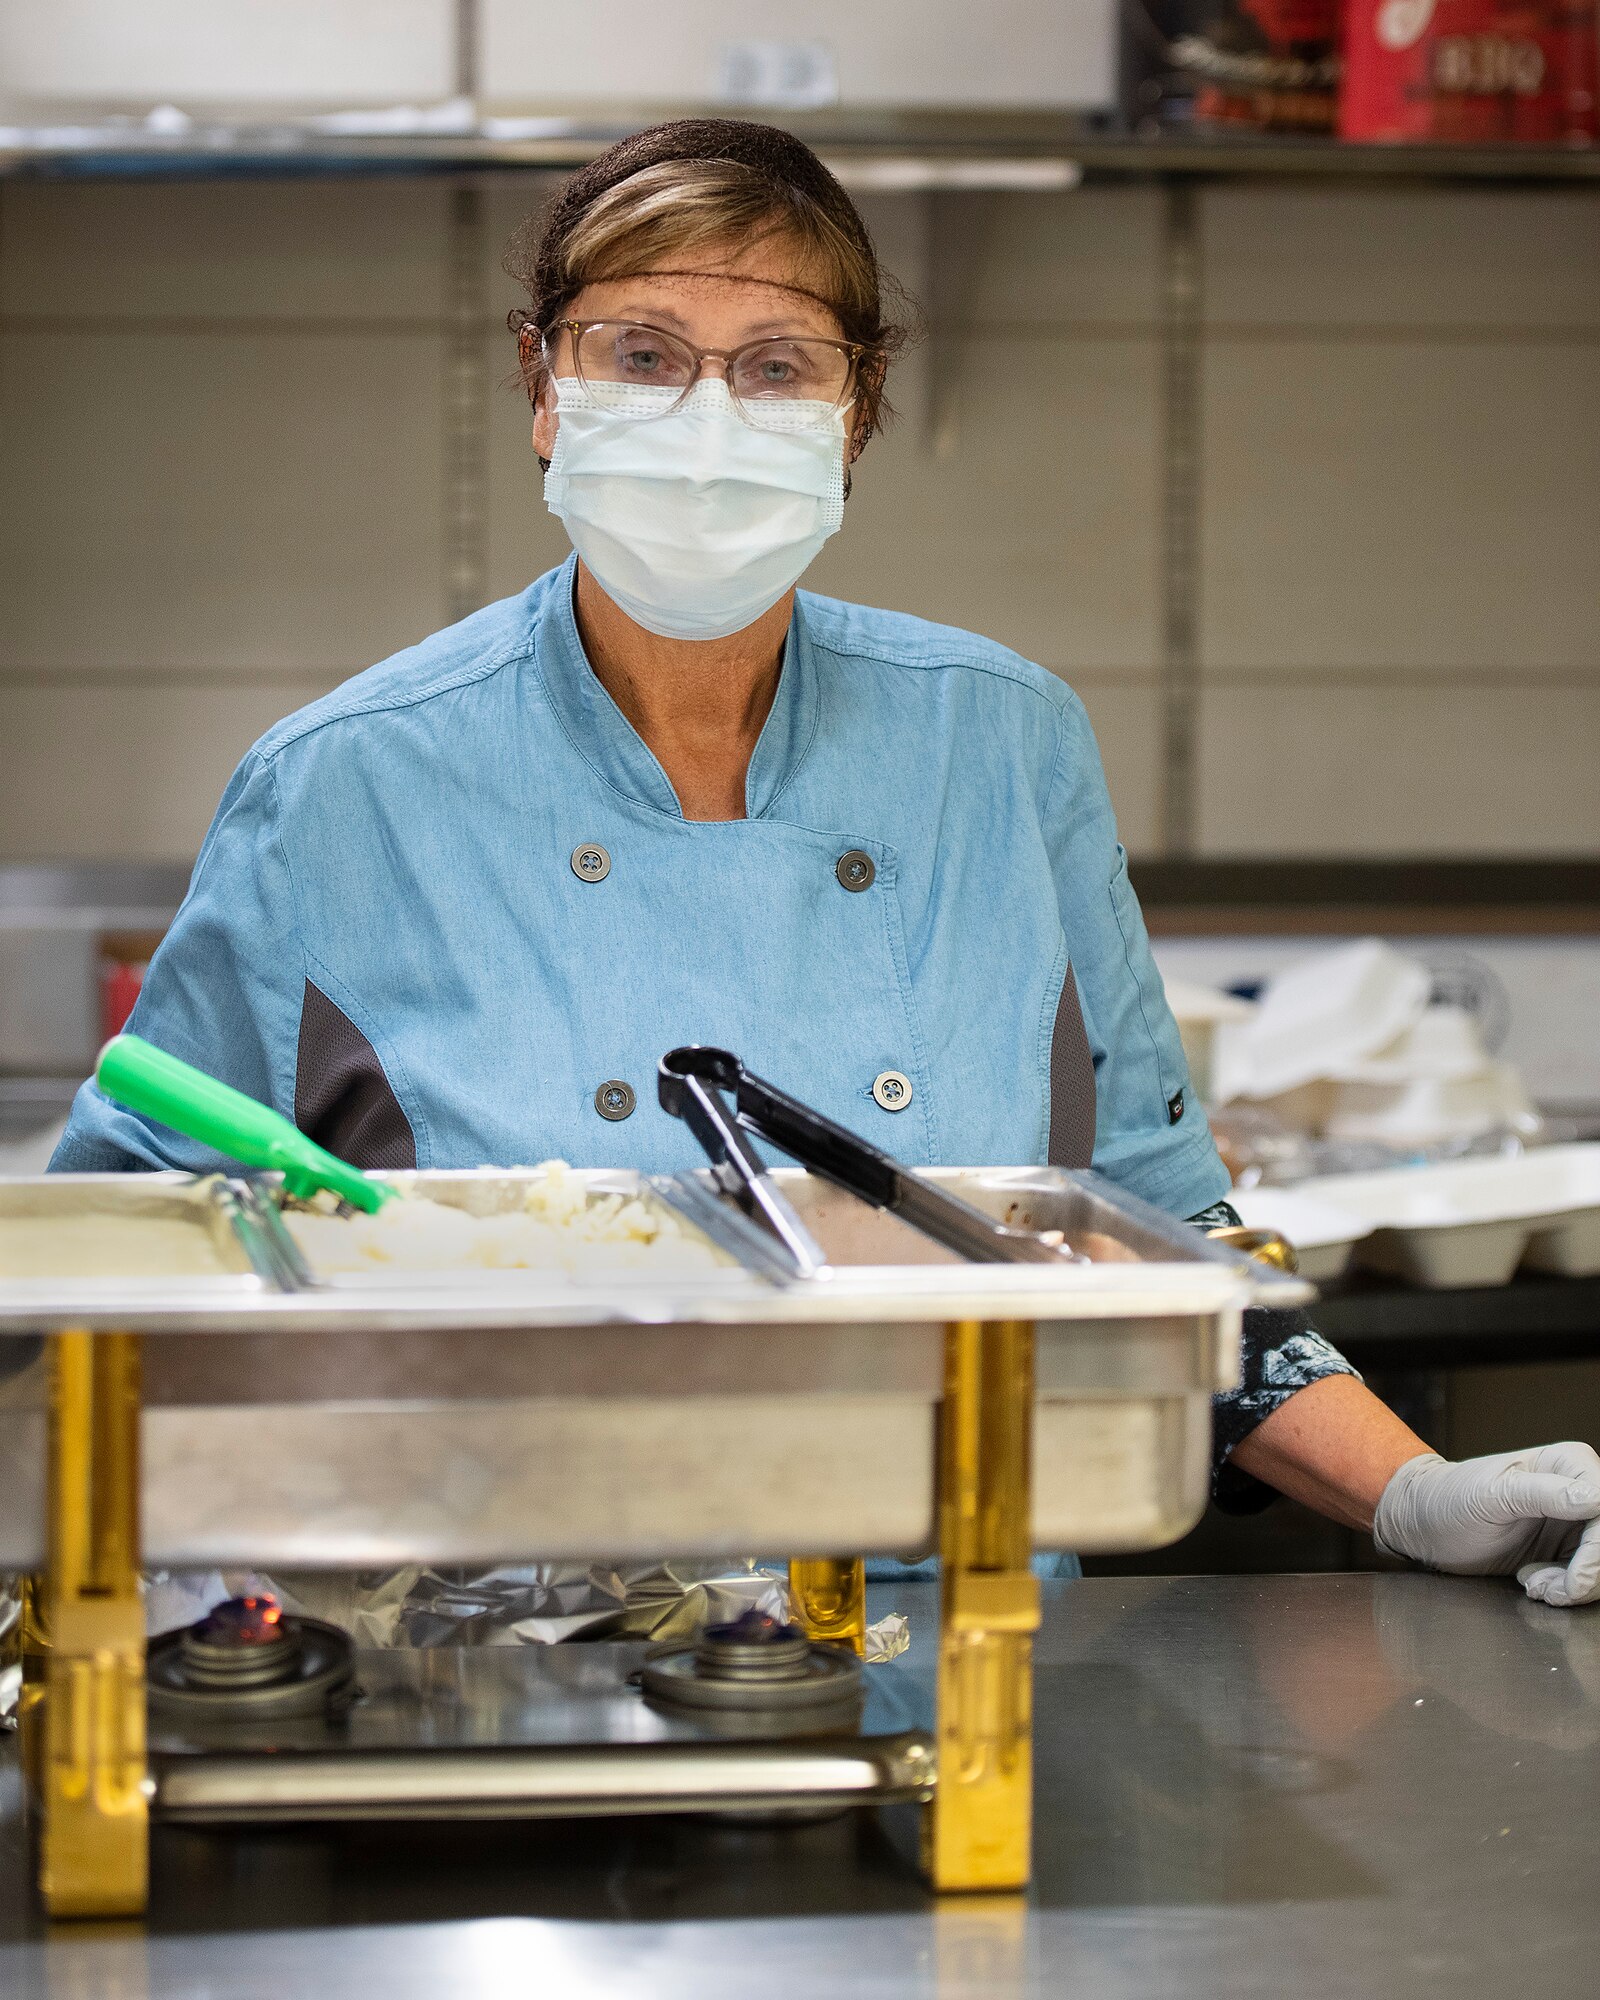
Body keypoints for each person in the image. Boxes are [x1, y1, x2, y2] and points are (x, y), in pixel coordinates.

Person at [52, 119, 1599, 1608]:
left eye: (778, 366)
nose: (707, 419)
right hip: (482, 1653)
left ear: (856, 415)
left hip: (966, 1642)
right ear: (544, 383)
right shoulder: (347, 785)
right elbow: (125, 1271)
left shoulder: (996, 746)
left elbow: (1153, 1239)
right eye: (642, 355)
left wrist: (1406, 1494)